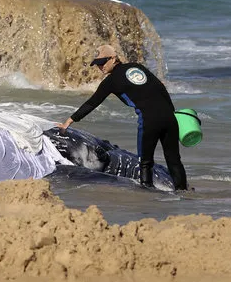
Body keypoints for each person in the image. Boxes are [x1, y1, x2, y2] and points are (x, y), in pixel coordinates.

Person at [57, 44, 188, 191]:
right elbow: (161, 88)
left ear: (113, 59)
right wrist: (172, 113)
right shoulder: (138, 67)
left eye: (103, 62)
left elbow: (92, 103)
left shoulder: (111, 81)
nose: (100, 67)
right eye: (98, 64)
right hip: (169, 118)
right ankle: (183, 192)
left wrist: (69, 121)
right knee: (174, 159)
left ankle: (148, 195)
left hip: (149, 120)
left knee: (144, 162)